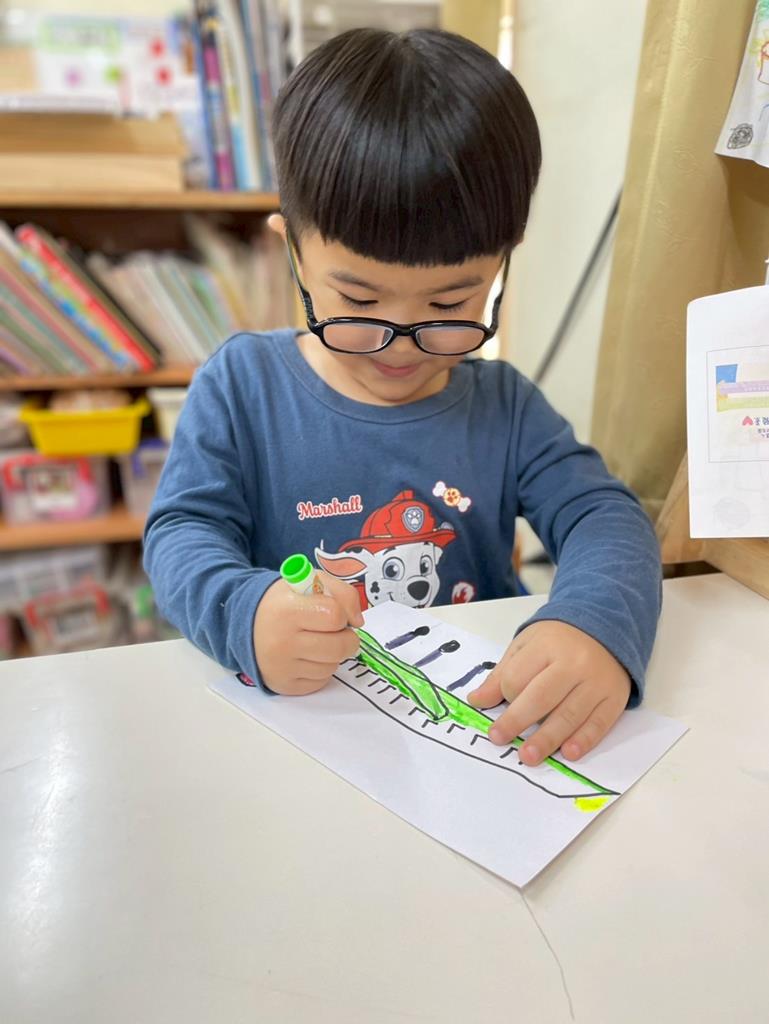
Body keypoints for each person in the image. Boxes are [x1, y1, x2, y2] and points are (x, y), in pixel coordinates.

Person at [144, 27, 661, 769]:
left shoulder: (506, 407)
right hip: (303, 743)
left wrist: (594, 623)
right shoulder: (241, 386)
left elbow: (603, 515)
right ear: (291, 250)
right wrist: (242, 612)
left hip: (471, 742)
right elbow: (182, 533)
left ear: (500, 266)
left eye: (450, 306)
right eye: (359, 302)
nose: (401, 345)